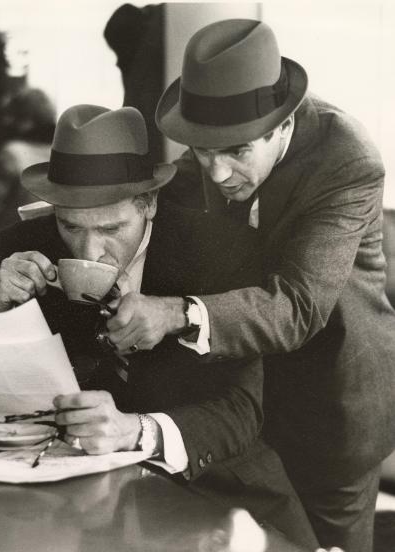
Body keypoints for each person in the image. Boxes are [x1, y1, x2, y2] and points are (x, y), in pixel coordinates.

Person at [0, 104, 317, 548]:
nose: (90, 250)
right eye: (70, 226)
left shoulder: (220, 254)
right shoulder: (21, 245)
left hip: (216, 497)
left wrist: (137, 430)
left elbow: (241, 411)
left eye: (111, 227)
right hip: (71, 502)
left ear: (148, 203)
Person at [97, 19, 395, 552]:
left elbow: (300, 305)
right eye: (201, 151)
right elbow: (152, 205)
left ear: (282, 127)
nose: (215, 172)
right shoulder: (214, 149)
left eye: (235, 151)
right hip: (242, 408)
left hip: (333, 406)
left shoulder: (348, 160)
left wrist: (174, 313)